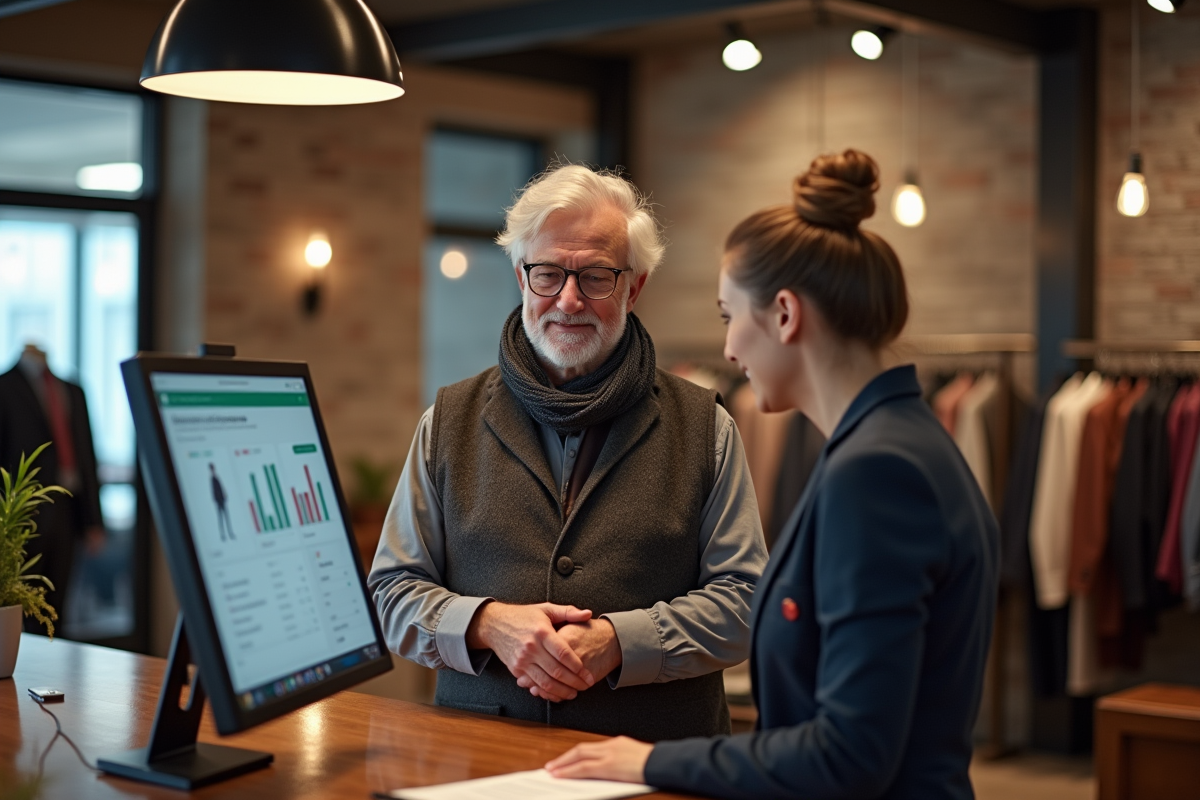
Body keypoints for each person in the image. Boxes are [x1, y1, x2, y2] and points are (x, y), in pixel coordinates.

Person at [546, 150, 1000, 798]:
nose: (729, 349)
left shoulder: (875, 472)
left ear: (785, 315)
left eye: (732, 318)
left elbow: (848, 753)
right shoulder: (902, 440)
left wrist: (649, 762)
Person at [369, 164, 768, 741]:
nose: (570, 300)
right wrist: (487, 624)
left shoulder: (708, 426)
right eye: (549, 274)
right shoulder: (446, 422)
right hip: (478, 761)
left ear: (635, 286)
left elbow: (746, 601)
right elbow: (390, 593)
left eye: (597, 276)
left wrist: (620, 643)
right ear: (520, 277)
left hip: (656, 767)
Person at [0, 344, 107, 632]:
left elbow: (86, 455)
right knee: (21, 599)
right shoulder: (5, 387)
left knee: (58, 599)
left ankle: (59, 665)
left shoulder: (72, 390)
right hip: (22, 510)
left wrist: (94, 520)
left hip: (68, 506)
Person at [210, 463, 234, 541]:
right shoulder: (212, 479)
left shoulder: (216, 477)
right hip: (219, 500)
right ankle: (223, 535)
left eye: (214, 468)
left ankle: (230, 533)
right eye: (212, 468)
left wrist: (224, 495)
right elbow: (214, 490)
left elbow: (221, 488)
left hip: (222, 500)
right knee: (221, 518)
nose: (213, 469)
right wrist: (216, 499)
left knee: (226, 517)